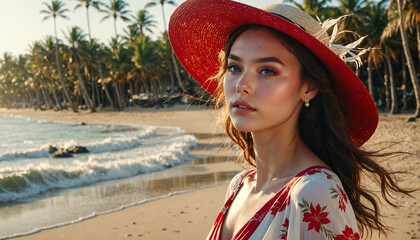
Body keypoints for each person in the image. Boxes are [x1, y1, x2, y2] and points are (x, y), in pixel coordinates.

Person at [168, 1, 412, 239]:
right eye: (234, 67)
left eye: (267, 71)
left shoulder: (315, 194)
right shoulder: (239, 185)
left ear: (309, 87)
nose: (242, 85)